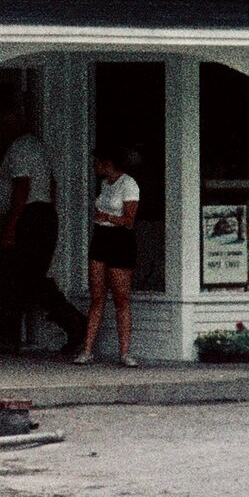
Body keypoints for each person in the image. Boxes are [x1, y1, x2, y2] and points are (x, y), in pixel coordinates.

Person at [0, 108, 83, 351]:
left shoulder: (21, 148)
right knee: (26, 278)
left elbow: (22, 187)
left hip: (29, 218)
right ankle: (72, 323)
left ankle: (73, 323)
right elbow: (51, 184)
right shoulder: (35, 146)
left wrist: (11, 229)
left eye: (5, 123)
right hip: (40, 217)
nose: (0, 129)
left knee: (17, 276)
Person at [78, 147, 143, 367]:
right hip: (101, 236)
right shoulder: (105, 185)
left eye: (98, 162)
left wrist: (106, 216)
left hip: (120, 240)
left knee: (120, 297)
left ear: (109, 163)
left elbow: (129, 220)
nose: (95, 166)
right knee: (97, 296)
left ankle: (124, 352)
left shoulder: (129, 184)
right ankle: (87, 350)